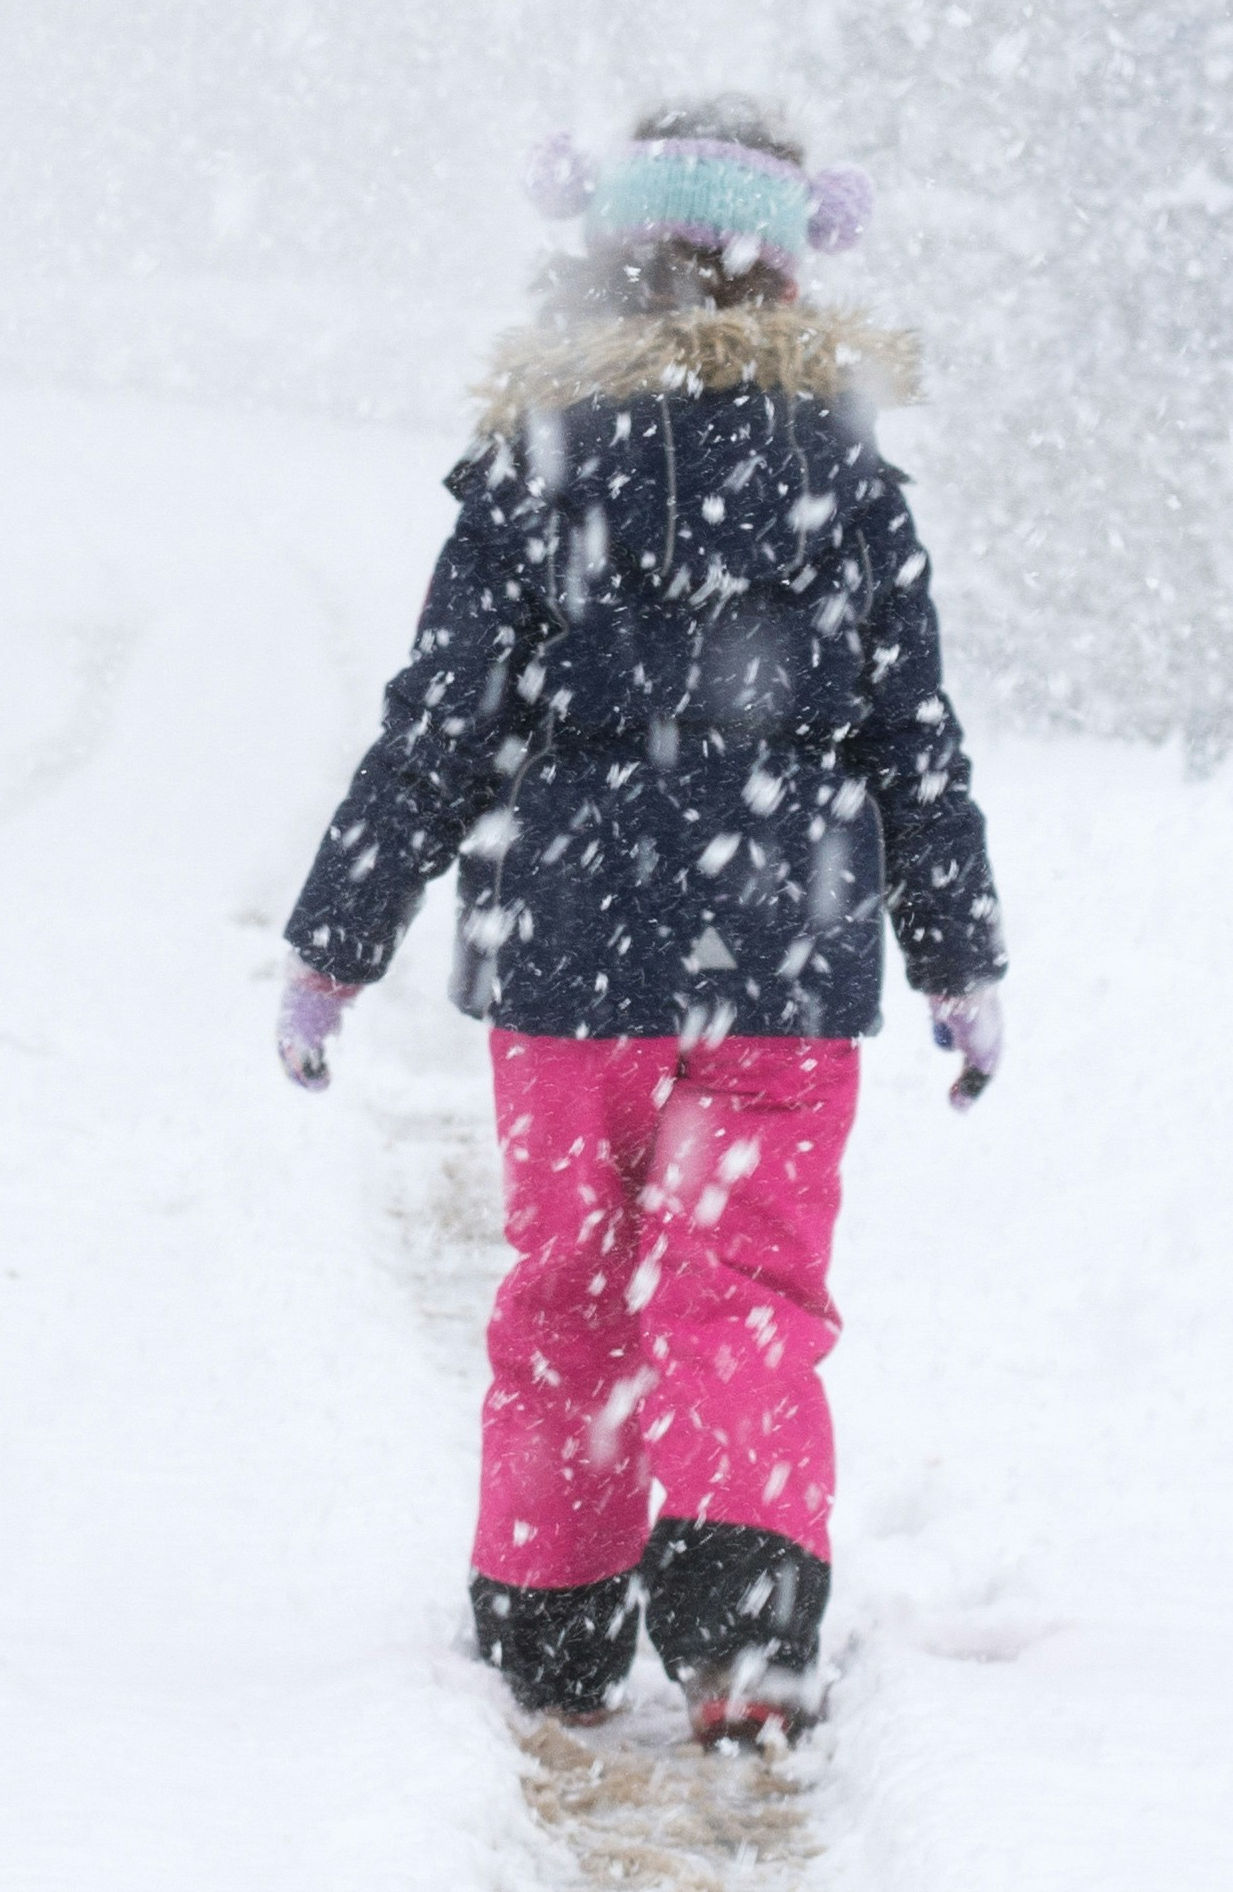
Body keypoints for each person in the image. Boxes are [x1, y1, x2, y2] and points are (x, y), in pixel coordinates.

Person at [271, 97, 1006, 1750]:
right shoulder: (847, 483)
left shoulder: (541, 467)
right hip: (781, 963)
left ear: (599, 255)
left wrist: (338, 940)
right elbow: (916, 739)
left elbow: (441, 728)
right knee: (743, 1289)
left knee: (571, 1288)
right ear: (791, 271)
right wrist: (961, 955)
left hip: (570, 966)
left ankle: (549, 1623)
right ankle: (747, 1630)